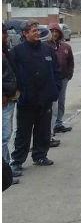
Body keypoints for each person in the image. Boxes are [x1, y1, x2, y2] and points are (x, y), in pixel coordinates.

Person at [9, 22, 60, 175]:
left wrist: (55, 88)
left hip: (46, 97)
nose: (37, 33)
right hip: (27, 99)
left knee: (43, 129)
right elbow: (11, 73)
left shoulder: (48, 50)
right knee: (23, 132)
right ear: (25, 34)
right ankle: (17, 161)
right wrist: (19, 92)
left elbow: (56, 71)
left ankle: (40, 155)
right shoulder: (17, 52)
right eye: (33, 31)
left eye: (38, 30)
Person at [47, 24, 74, 137]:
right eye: (52, 31)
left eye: (56, 31)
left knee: (61, 101)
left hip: (63, 78)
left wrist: (69, 74)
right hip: (50, 79)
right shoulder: (45, 46)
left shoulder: (65, 47)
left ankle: (58, 123)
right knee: (53, 104)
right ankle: (50, 127)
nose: (54, 33)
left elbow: (70, 62)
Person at [2, 27, 19, 175]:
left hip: (10, 97)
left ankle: (6, 168)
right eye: (3, 33)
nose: (6, 36)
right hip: (4, 99)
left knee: (7, 134)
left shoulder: (5, 50)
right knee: (3, 136)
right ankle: (5, 172)